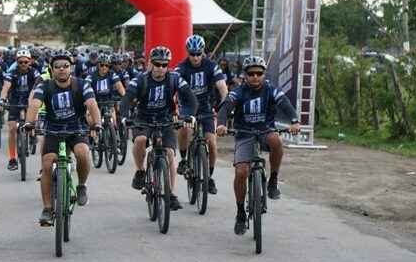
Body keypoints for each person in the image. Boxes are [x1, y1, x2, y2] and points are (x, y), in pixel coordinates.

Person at [216, 56, 301, 235]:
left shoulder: (270, 89)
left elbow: (285, 103)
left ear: (263, 74)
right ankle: (240, 212)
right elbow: (225, 106)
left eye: (259, 73)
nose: (255, 77)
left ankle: (273, 180)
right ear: (245, 75)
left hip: (265, 131)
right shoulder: (239, 91)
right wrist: (221, 124)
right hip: (244, 134)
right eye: (251, 73)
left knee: (277, 141)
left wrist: (294, 121)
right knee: (241, 172)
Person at [23, 49, 101, 225]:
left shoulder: (82, 84)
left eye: (65, 66)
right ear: (51, 69)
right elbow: (35, 104)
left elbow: (92, 104)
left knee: (82, 152)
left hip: (77, 128)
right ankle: (48, 209)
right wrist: (29, 123)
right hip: (53, 130)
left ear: (71, 68)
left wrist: (97, 123)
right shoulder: (45, 85)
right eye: (57, 66)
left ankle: (81, 186)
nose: (62, 69)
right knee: (47, 162)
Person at [120, 46, 198, 211]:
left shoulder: (175, 78)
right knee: (140, 140)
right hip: (143, 119)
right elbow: (126, 99)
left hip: (166, 119)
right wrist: (124, 117)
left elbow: (190, 98)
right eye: (157, 64)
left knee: (169, 153)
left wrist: (189, 115)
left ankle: (170, 194)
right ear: (151, 63)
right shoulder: (140, 79)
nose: (161, 68)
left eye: (164, 65)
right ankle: (140, 171)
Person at [174, 35, 229, 195]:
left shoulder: (212, 66)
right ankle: (184, 160)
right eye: (192, 54)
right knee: (185, 129)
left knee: (211, 143)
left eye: (199, 53)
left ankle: (209, 177)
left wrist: (226, 106)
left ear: (203, 52)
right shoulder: (181, 67)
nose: (196, 57)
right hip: (187, 107)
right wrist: (173, 109)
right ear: (188, 53)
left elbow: (222, 87)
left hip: (205, 107)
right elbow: (172, 86)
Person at [0, 49, 42, 171]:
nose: (23, 64)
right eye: (20, 62)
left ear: (30, 62)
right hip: (15, 102)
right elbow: (6, 87)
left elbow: (39, 86)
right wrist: (2, 98)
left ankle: (32, 133)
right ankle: (12, 159)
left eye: (26, 62)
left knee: (34, 113)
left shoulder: (34, 73)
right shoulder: (11, 73)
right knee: (12, 129)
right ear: (17, 62)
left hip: (30, 100)